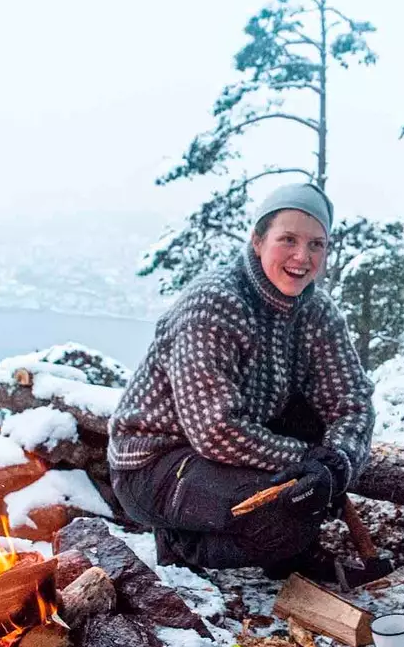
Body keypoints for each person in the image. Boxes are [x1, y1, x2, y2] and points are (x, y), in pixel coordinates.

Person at [108, 182, 375, 582]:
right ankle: (179, 542)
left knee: (309, 474)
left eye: (317, 245)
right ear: (257, 240)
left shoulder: (317, 312)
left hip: (235, 449)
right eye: (288, 240)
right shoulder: (215, 303)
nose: (303, 256)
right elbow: (214, 430)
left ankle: (289, 551)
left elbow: (352, 402)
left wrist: (335, 467)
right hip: (156, 462)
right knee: (284, 518)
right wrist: (305, 464)